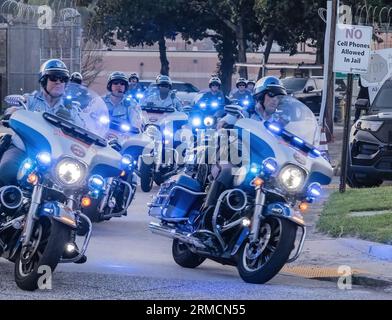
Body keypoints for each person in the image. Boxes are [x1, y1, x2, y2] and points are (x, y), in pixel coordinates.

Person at [0, 59, 85, 187]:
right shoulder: (30, 100)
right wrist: (12, 112)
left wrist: (72, 120)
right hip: (24, 149)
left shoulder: (71, 108)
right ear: (43, 80)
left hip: (56, 158)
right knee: (6, 170)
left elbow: (84, 129)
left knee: (75, 186)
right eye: (53, 78)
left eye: (62, 79)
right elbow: (13, 110)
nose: (58, 82)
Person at [205, 76, 287, 207]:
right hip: (237, 156)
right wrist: (224, 127)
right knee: (227, 171)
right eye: (271, 96)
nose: (275, 101)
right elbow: (223, 122)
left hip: (264, 162)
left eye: (278, 98)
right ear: (260, 96)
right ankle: (208, 210)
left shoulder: (278, 121)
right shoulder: (245, 112)